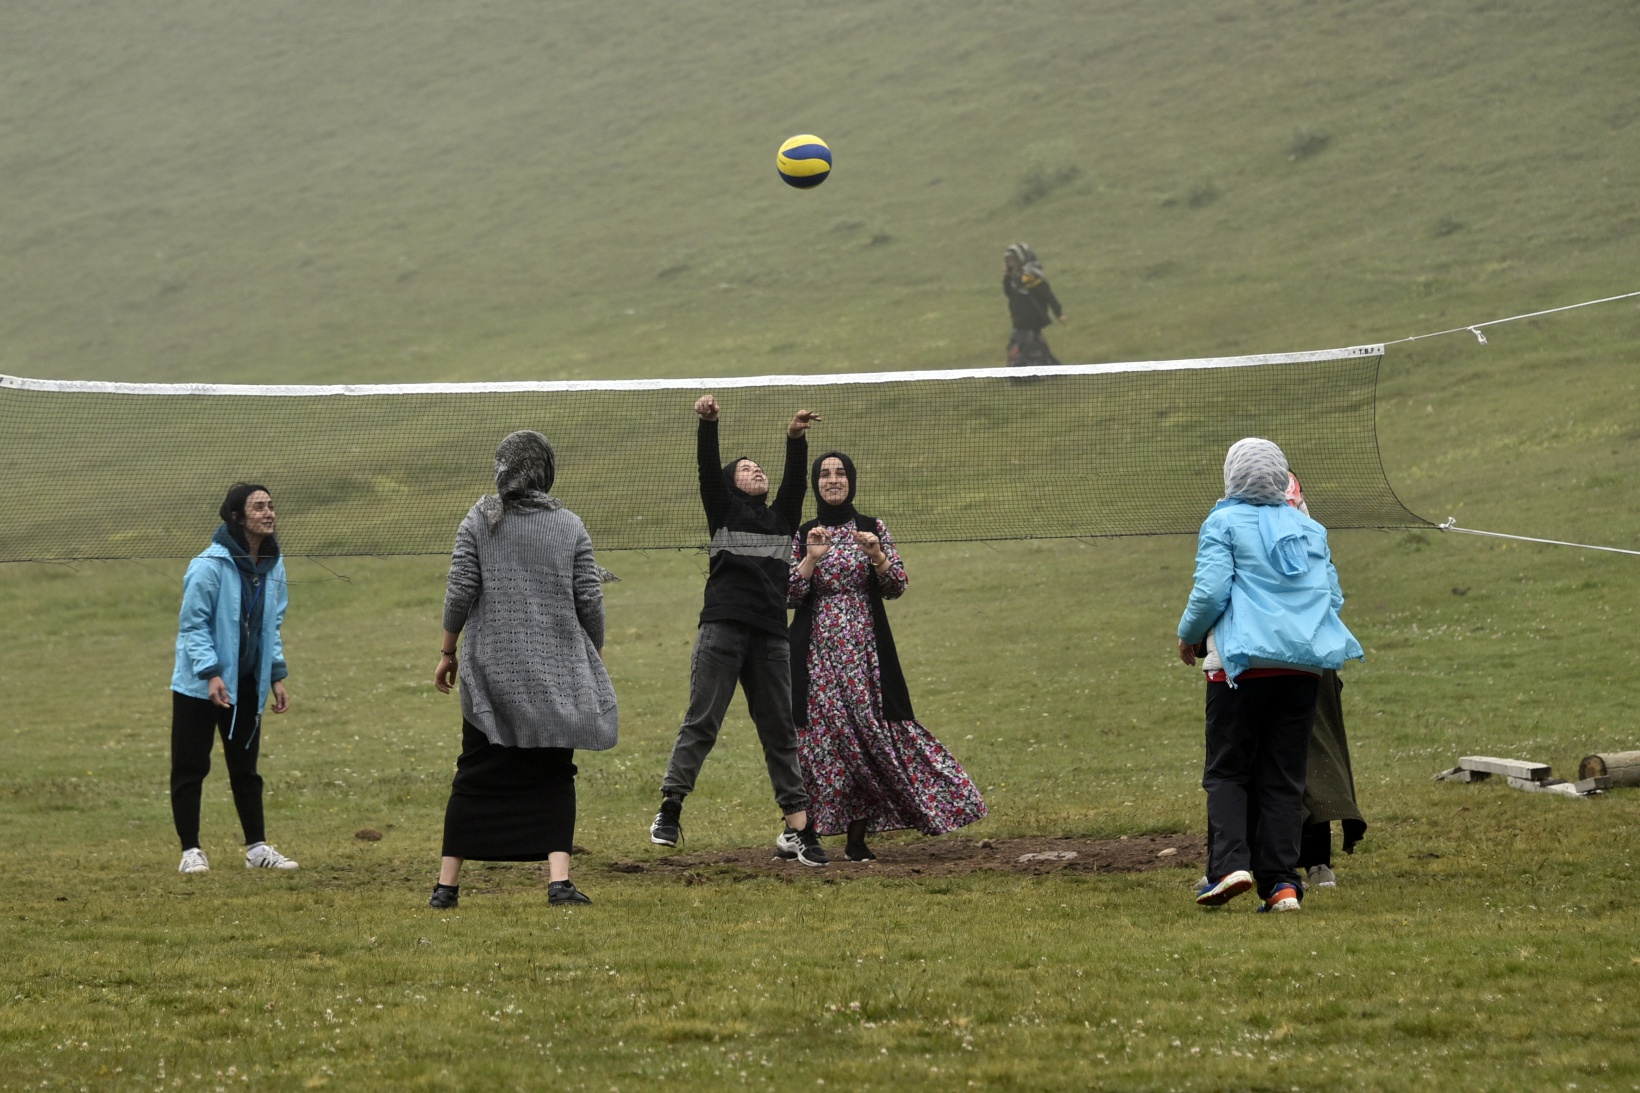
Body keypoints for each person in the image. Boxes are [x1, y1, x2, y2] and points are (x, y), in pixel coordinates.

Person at [430, 430, 616, 909]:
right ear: (545, 470)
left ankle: (446, 887)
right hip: (556, 671)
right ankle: (559, 883)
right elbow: (590, 601)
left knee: (474, 772)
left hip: (490, 668)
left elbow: (459, 590)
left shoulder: (480, 518)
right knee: (554, 772)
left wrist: (448, 652)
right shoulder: (570, 525)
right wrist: (590, 653)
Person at [1177, 439, 1362, 912]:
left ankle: (1228, 866)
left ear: (1231, 477)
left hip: (1239, 670)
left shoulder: (1221, 522)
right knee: (1284, 777)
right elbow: (1332, 597)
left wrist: (1187, 636)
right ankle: (1282, 883)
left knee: (1228, 772)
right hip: (1302, 671)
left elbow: (1212, 590)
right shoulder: (1309, 527)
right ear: (1282, 480)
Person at [649, 396, 829, 866]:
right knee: (702, 722)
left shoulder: (782, 518)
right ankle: (670, 809)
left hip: (771, 636)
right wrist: (708, 425)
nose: (755, 472)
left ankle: (800, 831)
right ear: (732, 483)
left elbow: (793, 482)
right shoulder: (724, 511)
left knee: (779, 733)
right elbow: (708, 469)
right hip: (723, 630)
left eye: (758, 468)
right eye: (746, 469)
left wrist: (795, 438)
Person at [787, 452, 987, 861]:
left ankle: (857, 840)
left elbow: (896, 586)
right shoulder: (806, 531)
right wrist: (810, 557)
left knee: (868, 735)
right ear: (815, 483)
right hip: (816, 654)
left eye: (840, 472)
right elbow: (788, 596)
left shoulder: (872, 527)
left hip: (865, 652)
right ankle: (803, 836)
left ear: (852, 480)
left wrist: (877, 555)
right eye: (824, 474)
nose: (833, 480)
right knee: (823, 742)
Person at [170, 483, 297, 875]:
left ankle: (257, 848)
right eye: (258, 507)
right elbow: (193, 627)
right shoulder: (208, 565)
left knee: (246, 767)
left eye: (271, 506)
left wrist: (275, 674)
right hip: (199, 685)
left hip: (247, 683)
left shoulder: (273, 564)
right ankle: (191, 851)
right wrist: (210, 674)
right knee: (191, 768)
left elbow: (270, 624)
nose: (269, 513)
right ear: (236, 517)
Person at [1002, 242, 1065, 368]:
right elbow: (1009, 293)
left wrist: (1058, 313)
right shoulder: (1015, 278)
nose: (1010, 264)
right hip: (1019, 320)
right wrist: (1007, 276)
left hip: (1030, 319)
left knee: (1029, 345)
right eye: (1008, 261)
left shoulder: (1031, 277)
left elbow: (1047, 295)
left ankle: (1029, 372)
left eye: (1012, 260)